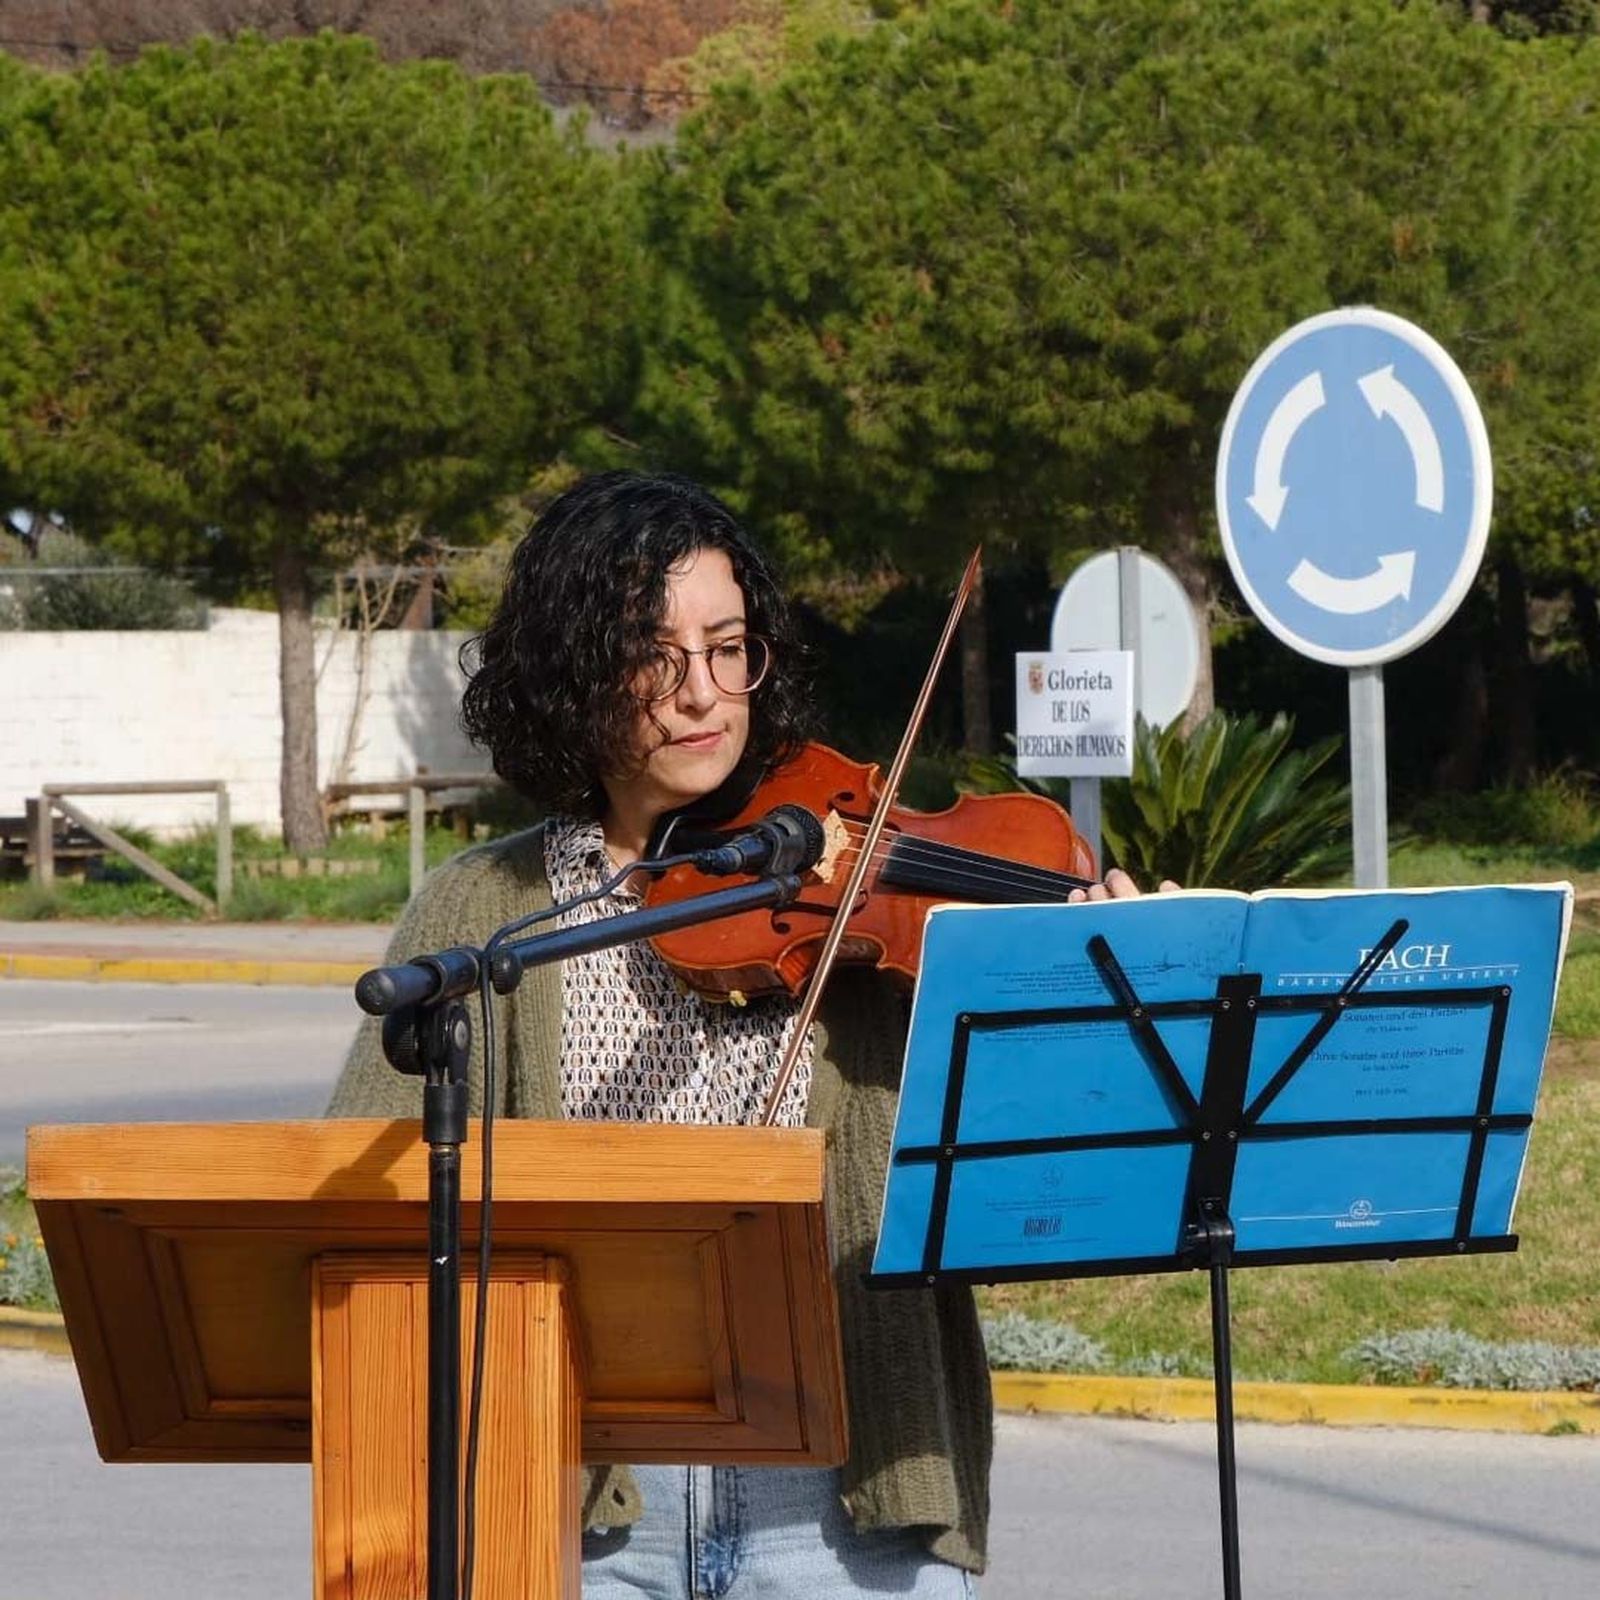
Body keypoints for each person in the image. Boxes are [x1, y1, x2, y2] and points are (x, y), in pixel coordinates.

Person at [329, 470, 1154, 1599]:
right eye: (654, 657)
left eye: (727, 649)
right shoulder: (484, 909)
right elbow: (363, 1197)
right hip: (579, 1496)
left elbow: (1034, 1172)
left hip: (845, 1501)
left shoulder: (863, 877)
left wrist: (1094, 988)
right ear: (571, 670)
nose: (702, 695)